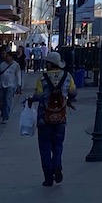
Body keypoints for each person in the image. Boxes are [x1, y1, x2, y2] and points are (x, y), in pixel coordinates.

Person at [27, 51, 77, 188]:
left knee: (45, 148)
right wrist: (68, 100)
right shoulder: (67, 76)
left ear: (50, 64)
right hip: (61, 117)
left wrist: (32, 99)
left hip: (44, 118)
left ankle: (48, 178)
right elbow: (73, 92)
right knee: (58, 145)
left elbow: (37, 95)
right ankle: (57, 165)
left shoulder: (42, 79)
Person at [0, 51, 23, 123]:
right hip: (2, 85)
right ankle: (3, 112)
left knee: (7, 100)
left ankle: (5, 116)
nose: (6, 57)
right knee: (0, 101)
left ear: (11, 57)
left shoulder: (16, 65)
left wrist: (19, 86)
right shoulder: (2, 64)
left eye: (7, 56)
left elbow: (18, 76)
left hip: (10, 85)